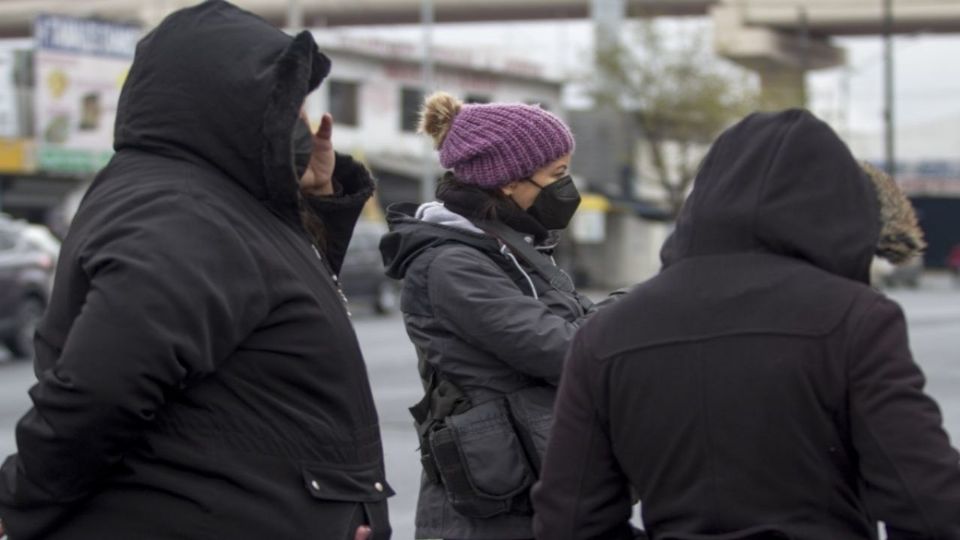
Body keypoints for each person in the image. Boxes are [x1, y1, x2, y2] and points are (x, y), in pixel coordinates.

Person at [0, 2, 391, 539]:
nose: (300, 120)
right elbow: (99, 393)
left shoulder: (217, 200)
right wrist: (17, 503)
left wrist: (316, 200)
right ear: (226, 100)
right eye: (286, 103)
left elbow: (275, 308)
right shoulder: (180, 211)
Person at [532, 109, 960, 539]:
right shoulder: (855, 318)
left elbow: (569, 521)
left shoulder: (608, 332)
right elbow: (930, 505)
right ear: (843, 210)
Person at [379, 91, 623, 540]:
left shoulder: (510, 251)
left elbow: (581, 324)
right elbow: (562, 350)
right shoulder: (451, 265)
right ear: (510, 182)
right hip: (488, 511)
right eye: (558, 174)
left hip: (530, 484)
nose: (567, 189)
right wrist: (647, 310)